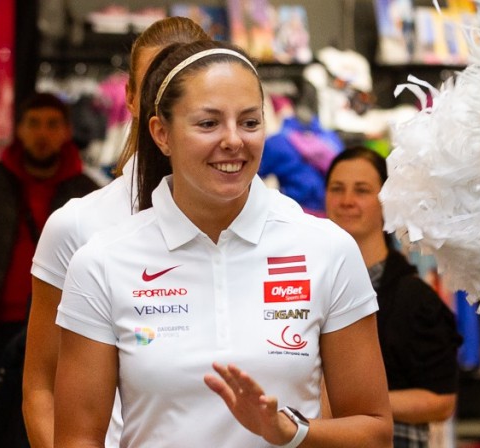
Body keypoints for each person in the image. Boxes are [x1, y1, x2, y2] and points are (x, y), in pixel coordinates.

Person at [53, 40, 392, 447]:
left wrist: (291, 431)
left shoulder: (327, 249)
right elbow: (77, 439)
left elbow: (374, 433)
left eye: (250, 123)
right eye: (208, 123)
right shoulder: (101, 262)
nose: (234, 141)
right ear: (161, 133)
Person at [23, 17, 210, 448]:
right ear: (129, 96)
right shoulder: (77, 225)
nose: (170, 102)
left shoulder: (279, 228)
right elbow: (41, 387)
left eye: (185, 83)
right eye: (155, 88)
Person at [0, 92, 98, 448]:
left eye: (52, 124)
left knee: (49, 425)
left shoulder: (86, 191)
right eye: (33, 123)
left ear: (67, 131)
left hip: (61, 329)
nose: (42, 133)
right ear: (19, 130)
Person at [324, 146, 463, 448]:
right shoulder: (309, 285)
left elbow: (441, 401)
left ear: (386, 203)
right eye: (337, 189)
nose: (347, 201)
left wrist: (352, 406)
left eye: (361, 190)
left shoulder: (413, 297)